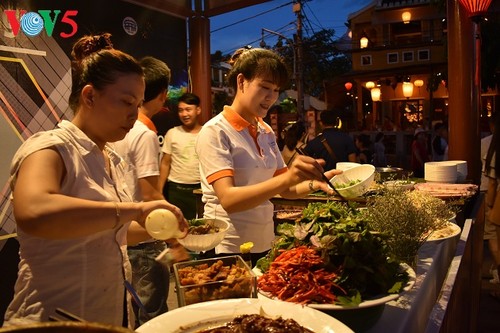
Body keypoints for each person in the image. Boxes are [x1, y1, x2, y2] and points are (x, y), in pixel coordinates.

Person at [3, 33, 187, 328]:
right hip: (52, 318)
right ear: (89, 96)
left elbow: (109, 235)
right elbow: (34, 211)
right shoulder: (50, 147)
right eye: (126, 102)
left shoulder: (111, 158)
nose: (134, 115)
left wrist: (162, 229)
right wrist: (134, 210)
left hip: (107, 315)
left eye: (138, 103)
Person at [195, 47, 339, 265]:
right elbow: (229, 200)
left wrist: (316, 183)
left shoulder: (265, 131)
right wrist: (288, 178)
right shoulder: (215, 131)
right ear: (241, 82)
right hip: (227, 247)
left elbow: (287, 189)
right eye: (264, 87)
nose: (271, 97)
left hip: (264, 242)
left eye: (276, 90)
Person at [113, 56, 186, 327]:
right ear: (163, 93)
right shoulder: (143, 133)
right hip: (144, 240)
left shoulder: (120, 130)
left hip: (125, 234)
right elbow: (150, 194)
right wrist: (175, 240)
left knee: (135, 312)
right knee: (153, 315)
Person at [159, 92, 203, 220]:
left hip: (201, 190)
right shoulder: (172, 133)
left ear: (198, 110)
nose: (184, 114)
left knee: (202, 229)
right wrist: (159, 191)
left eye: (188, 109)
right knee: (177, 228)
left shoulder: (207, 133)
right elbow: (165, 163)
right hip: (176, 190)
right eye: (181, 110)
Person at [482, 114, 499, 283]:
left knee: (493, 234)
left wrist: (489, 202)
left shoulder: (493, 144)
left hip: (496, 198)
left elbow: (492, 181)